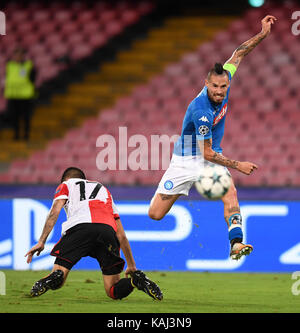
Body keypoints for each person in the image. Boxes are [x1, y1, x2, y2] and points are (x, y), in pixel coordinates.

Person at [148, 15, 277, 260]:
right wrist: (238, 165)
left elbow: (238, 54)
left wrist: (262, 34)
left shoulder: (225, 78)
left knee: (231, 194)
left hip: (209, 159)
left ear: (227, 83)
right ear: (206, 83)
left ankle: (236, 243)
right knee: (155, 214)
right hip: (187, 160)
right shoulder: (202, 110)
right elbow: (206, 153)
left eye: (223, 87)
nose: (219, 91)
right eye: (215, 87)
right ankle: (182, 188)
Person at [25, 167, 163, 301]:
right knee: (113, 290)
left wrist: (42, 241)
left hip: (79, 229)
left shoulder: (66, 185)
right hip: (107, 231)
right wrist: (132, 266)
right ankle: (136, 281)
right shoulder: (104, 190)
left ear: (65, 180)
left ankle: (54, 276)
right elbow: (121, 234)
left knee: (59, 277)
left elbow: (54, 212)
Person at [4, 47, 36, 141]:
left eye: (20, 55)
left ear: (23, 56)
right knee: (14, 117)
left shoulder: (28, 66)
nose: (18, 57)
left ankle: (26, 135)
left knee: (26, 117)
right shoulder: (9, 65)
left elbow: (33, 79)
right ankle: (16, 135)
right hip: (13, 95)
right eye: (16, 55)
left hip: (25, 96)